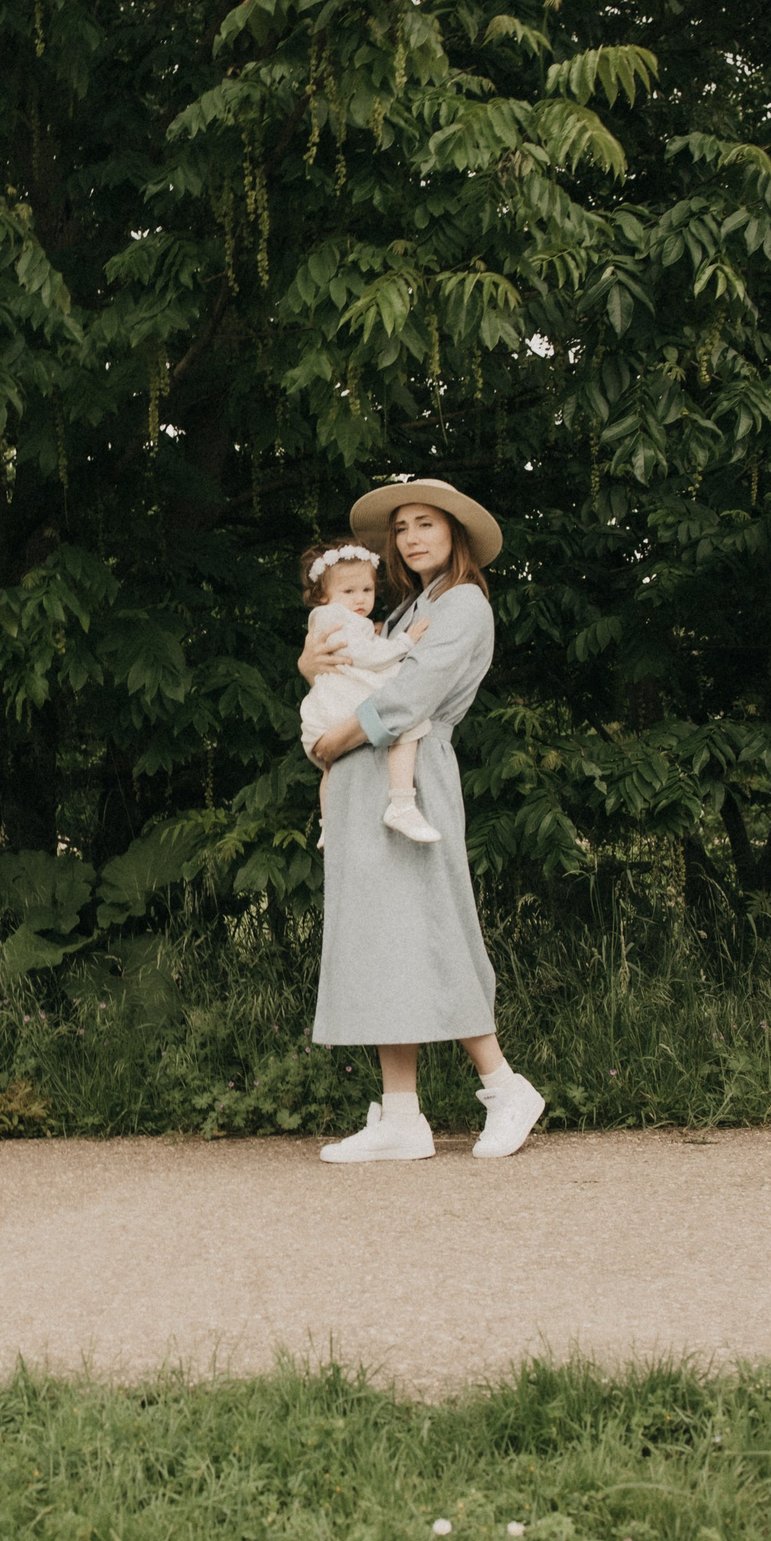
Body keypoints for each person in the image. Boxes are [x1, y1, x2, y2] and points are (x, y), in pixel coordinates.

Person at [299, 478, 546, 1163]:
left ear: (454, 533)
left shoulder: (463, 602)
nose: (410, 537)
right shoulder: (407, 604)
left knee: (433, 923)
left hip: (406, 773)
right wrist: (309, 664)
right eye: (402, 527)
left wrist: (335, 739)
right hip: (362, 779)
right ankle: (402, 1114)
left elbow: (412, 694)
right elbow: (341, 663)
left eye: (425, 523)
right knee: (380, 938)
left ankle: (504, 1086)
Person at [295, 540, 441, 846]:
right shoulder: (337, 617)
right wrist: (404, 643)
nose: (360, 599)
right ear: (323, 595)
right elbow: (367, 657)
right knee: (408, 725)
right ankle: (402, 802)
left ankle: (329, 824)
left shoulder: (338, 617)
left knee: (331, 767)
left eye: (367, 590)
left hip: (331, 703)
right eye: (349, 592)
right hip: (347, 699)